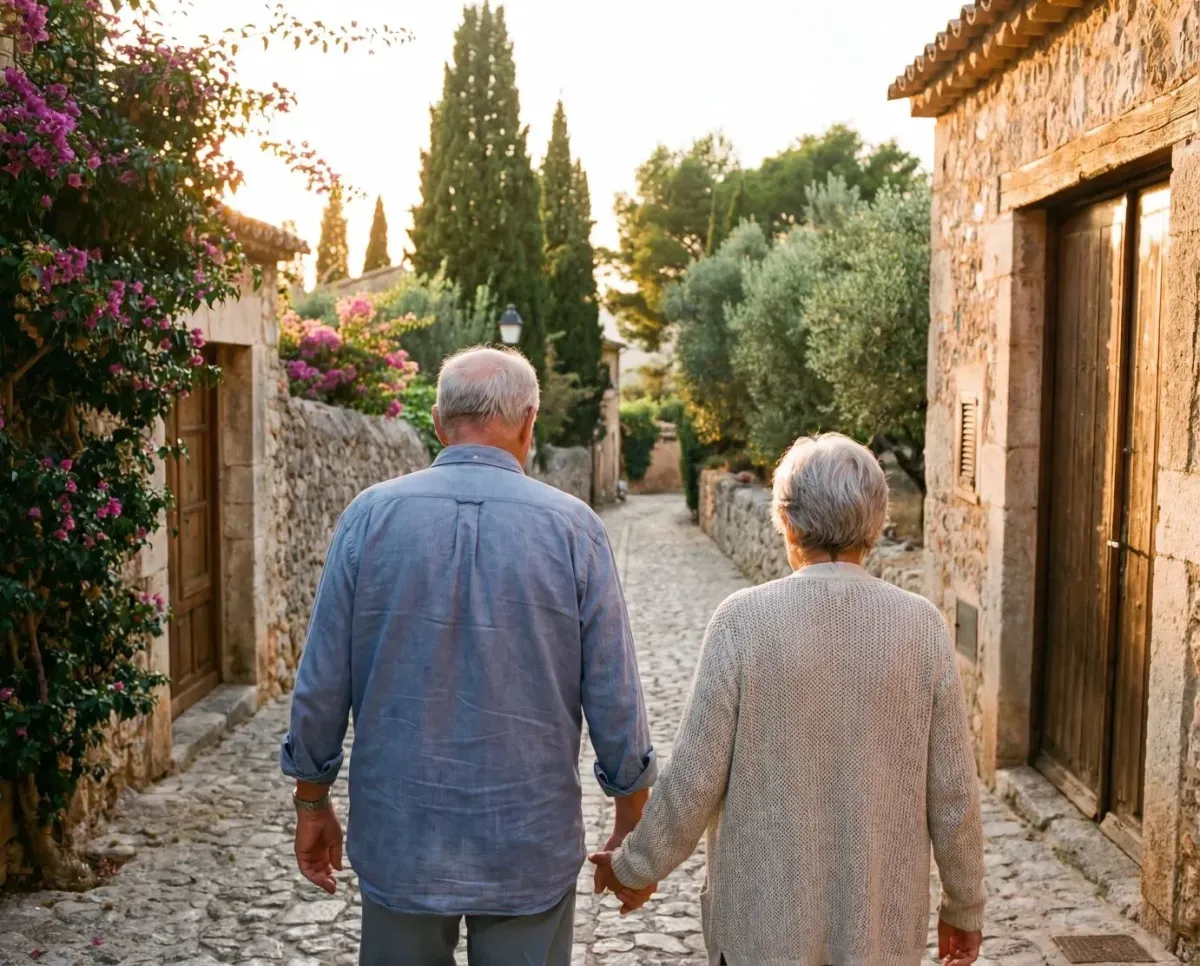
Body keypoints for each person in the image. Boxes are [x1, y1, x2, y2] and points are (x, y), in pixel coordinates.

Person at [281, 345, 657, 966]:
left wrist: (312, 801)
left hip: (402, 839)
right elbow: (616, 694)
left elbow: (321, 682)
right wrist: (631, 820)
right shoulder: (574, 530)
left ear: (436, 420)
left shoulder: (368, 519)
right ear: (530, 423)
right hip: (527, 839)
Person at [591, 432, 987, 966]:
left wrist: (633, 869)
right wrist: (964, 909)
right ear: (876, 520)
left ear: (787, 520)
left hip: (760, 930)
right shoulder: (922, 628)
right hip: (878, 933)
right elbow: (954, 796)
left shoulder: (743, 620)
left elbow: (693, 780)